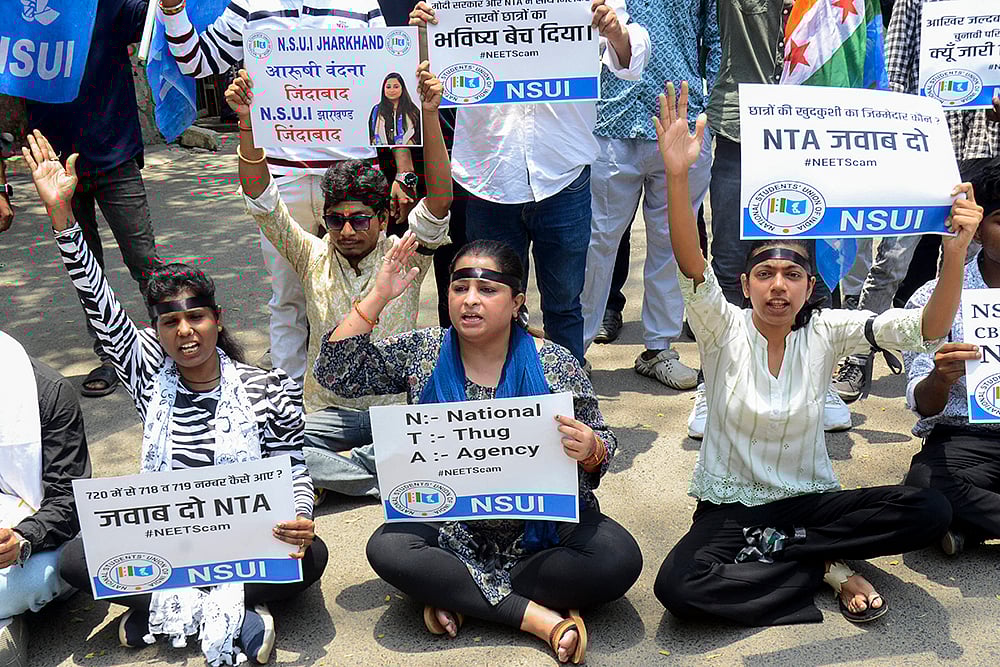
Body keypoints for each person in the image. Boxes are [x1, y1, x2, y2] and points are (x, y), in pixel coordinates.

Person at [652, 83, 978, 626]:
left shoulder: (826, 329)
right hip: (733, 509)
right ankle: (822, 566)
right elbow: (691, 261)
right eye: (765, 274)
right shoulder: (721, 326)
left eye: (792, 275)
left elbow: (928, 326)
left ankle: (788, 549)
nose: (778, 286)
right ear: (746, 284)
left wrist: (955, 254)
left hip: (808, 503)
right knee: (679, 588)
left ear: (809, 287)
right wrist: (678, 174)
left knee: (930, 509)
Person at [21, 130, 327, 665]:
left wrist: (301, 517)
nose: (185, 331)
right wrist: (63, 219)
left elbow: (294, 472)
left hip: (241, 547)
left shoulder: (266, 385)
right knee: (75, 558)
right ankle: (229, 613)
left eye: (195, 317)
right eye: (170, 322)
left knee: (313, 555)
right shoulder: (149, 378)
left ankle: (162, 607)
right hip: (170, 541)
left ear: (217, 321)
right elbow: (97, 300)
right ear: (156, 331)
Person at [313, 239, 642, 663]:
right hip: (451, 526)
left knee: (618, 558)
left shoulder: (553, 361)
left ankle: (458, 594)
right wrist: (377, 296)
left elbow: (602, 440)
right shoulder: (424, 351)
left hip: (540, 526)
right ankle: (538, 618)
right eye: (459, 288)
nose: (470, 300)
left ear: (516, 301)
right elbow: (336, 373)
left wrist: (592, 447)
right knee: (388, 549)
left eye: (488, 290)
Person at [158, 0, 417, 386]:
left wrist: (405, 170)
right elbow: (198, 61)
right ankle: (288, 404)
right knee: (288, 297)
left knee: (367, 289)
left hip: (352, 183)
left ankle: (373, 394)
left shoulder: (361, 5)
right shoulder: (250, 6)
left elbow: (392, 84)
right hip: (282, 179)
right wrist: (173, 8)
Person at [230, 62, 451, 496]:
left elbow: (439, 198)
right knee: (266, 445)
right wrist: (246, 124)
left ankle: (344, 476)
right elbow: (262, 199)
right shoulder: (310, 252)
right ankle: (381, 479)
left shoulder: (406, 254)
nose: (347, 231)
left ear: (385, 217)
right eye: (336, 220)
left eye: (359, 220)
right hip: (323, 413)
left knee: (427, 442)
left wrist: (428, 113)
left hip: (394, 413)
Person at [409, 0, 650, 364]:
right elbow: (427, 69)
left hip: (563, 174)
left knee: (566, 306)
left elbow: (631, 59)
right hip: (488, 175)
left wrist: (614, 31)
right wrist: (422, 32)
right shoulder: (459, 4)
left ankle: (571, 399)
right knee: (490, 303)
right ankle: (498, 400)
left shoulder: (582, 3)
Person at [834, 0, 1000, 403]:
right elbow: (895, 67)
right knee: (892, 259)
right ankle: (859, 355)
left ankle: (982, 371)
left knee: (978, 261)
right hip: (925, 147)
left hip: (989, 147)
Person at [699, 0, 848, 434]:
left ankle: (819, 384)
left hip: (815, 132)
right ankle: (716, 387)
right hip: (740, 129)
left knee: (812, 263)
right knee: (729, 263)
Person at [18, 0, 165, 399]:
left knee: (145, 261)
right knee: (85, 267)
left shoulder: (108, 3)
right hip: (54, 163)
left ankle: (170, 346)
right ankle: (111, 356)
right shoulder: (20, 9)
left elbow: (155, 16)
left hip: (114, 154)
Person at [581, 0, 718, 389]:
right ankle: (574, 352)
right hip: (609, 117)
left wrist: (708, 110)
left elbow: (715, 38)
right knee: (597, 242)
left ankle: (659, 347)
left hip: (679, 115)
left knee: (670, 242)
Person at [903, 157, 1000, 557]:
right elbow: (922, 403)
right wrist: (941, 378)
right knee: (925, 489)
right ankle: (963, 521)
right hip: (968, 438)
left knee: (938, 513)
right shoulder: (933, 299)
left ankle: (967, 529)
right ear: (975, 230)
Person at [0, 332, 92, 667]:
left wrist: (21, 539)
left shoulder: (46, 392)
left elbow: (69, 500)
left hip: (36, 541)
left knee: (47, 572)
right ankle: (7, 624)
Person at [369, 73, 422, 146]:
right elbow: (371, 133)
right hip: (382, 153)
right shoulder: (376, 111)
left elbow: (420, 132)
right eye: (388, 87)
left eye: (396, 87)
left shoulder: (412, 110)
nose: (392, 90)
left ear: (402, 88)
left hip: (409, 152)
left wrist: (412, 142)